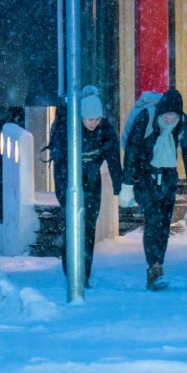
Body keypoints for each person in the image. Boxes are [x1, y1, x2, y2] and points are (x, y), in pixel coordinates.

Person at [120, 88, 187, 291]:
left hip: (168, 176)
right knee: (153, 220)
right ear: (160, 112)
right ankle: (154, 269)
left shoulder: (183, 122)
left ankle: (158, 265)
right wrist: (127, 184)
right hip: (144, 175)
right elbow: (131, 151)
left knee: (164, 224)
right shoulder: (146, 118)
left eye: (174, 117)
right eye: (166, 117)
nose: (170, 121)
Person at [46, 89, 124, 287]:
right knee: (72, 226)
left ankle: (84, 276)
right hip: (68, 182)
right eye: (89, 119)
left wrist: (119, 187)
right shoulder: (67, 128)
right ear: (80, 116)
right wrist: (66, 192)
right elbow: (59, 161)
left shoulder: (104, 129)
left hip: (92, 181)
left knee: (89, 228)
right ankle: (72, 273)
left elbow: (113, 158)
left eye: (97, 119)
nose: (93, 123)